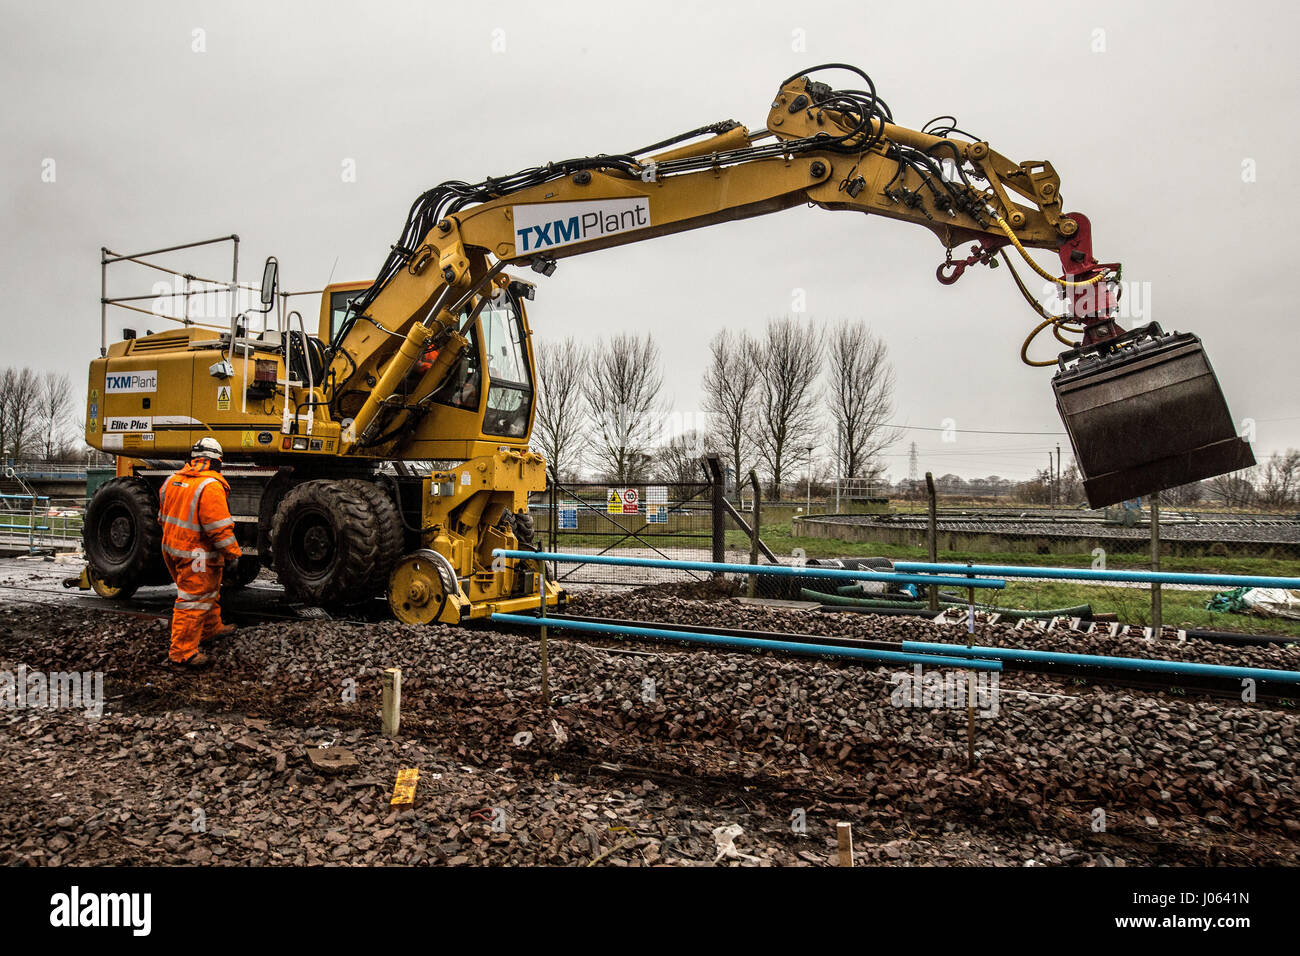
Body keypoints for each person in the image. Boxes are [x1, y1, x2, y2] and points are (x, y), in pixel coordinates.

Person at [158, 437, 242, 670]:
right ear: (217, 461)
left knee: (208, 591)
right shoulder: (210, 486)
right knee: (194, 599)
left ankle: (210, 628)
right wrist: (233, 555)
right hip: (197, 553)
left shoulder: (171, 481)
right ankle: (182, 653)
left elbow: (161, 517)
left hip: (172, 548)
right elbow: (219, 529)